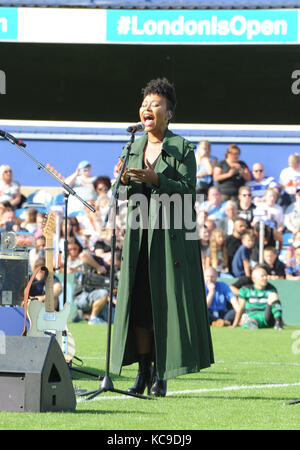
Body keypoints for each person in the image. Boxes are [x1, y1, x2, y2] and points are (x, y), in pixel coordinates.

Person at [111, 77, 214, 397]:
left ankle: (161, 374)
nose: (147, 109)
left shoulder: (182, 148)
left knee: (162, 306)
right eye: (144, 104)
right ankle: (142, 373)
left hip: (170, 236)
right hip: (139, 234)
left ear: (168, 113)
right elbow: (126, 191)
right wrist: (124, 178)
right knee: (140, 306)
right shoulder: (133, 145)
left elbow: (187, 192)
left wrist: (157, 179)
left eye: (155, 105)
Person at [231, 264, 284, 330]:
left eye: (265, 275)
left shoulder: (271, 289)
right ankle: (252, 324)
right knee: (251, 319)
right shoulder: (245, 290)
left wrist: (280, 318)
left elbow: (275, 305)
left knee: (273, 296)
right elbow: (240, 309)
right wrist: (234, 324)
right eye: (262, 276)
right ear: (254, 279)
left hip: (267, 317)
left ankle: (278, 323)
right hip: (252, 315)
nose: (265, 278)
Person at [72, 249, 110, 325]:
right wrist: (98, 266)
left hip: (92, 297)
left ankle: (83, 315)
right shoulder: (96, 260)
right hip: (82, 296)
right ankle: (93, 318)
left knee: (111, 319)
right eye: (109, 257)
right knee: (103, 293)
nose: (110, 260)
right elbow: (83, 255)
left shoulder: (111, 270)